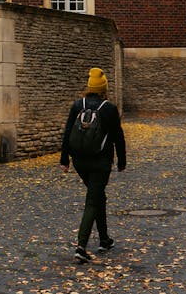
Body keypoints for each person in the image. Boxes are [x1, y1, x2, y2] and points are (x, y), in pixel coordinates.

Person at [60, 67, 126, 263]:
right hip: (100, 162)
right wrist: (122, 161)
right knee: (92, 200)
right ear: (104, 88)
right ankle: (81, 246)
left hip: (79, 161)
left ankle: (104, 239)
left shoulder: (76, 105)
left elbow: (67, 133)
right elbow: (118, 138)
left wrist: (64, 160)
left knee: (98, 196)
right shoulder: (109, 109)